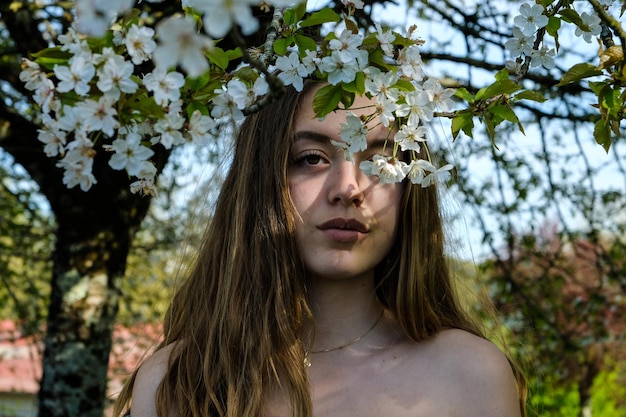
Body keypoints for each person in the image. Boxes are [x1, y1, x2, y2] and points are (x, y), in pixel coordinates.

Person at [114, 81, 527, 417]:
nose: (349, 188)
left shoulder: (470, 374)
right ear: (261, 181)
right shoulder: (180, 381)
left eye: (379, 161)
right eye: (312, 159)